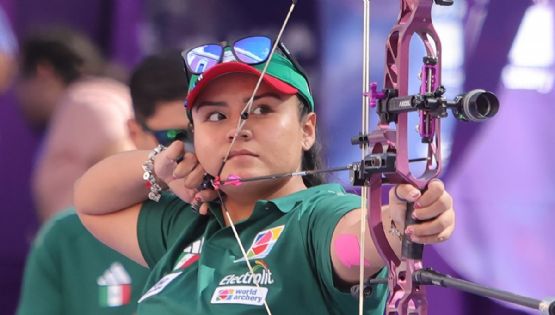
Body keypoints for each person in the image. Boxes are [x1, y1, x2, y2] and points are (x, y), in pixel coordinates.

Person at [74, 36, 455, 314]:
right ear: (194, 135)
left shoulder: (317, 216)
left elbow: (356, 246)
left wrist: (397, 223)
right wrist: (159, 168)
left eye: (261, 110)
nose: (237, 128)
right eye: (216, 116)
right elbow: (90, 202)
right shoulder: (188, 223)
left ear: (307, 130)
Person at [16, 51, 191, 315]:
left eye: (208, 127)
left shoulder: (250, 222)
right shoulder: (65, 237)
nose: (190, 153)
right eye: (171, 137)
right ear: (134, 132)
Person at [16, 26, 132, 221]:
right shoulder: (88, 101)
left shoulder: (86, 103)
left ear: (42, 72)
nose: (18, 95)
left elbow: (127, 164)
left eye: (20, 81)